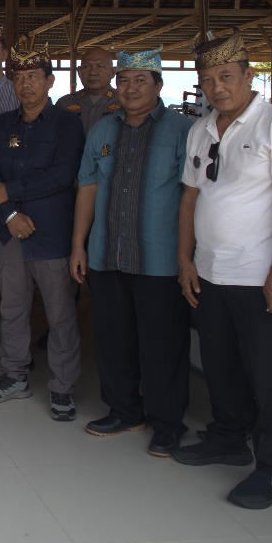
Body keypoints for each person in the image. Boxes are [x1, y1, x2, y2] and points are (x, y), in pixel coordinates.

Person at [175, 28, 272, 510]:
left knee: (268, 372)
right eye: (208, 79)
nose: (217, 87)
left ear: (249, 75)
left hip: (258, 275)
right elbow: (191, 196)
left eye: (227, 76)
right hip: (210, 272)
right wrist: (185, 259)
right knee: (220, 363)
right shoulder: (201, 127)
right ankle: (228, 438)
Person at [69, 48, 191, 455]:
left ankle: (167, 423)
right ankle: (124, 410)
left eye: (142, 80)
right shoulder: (103, 131)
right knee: (112, 338)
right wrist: (78, 246)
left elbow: (193, 196)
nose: (131, 87)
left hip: (159, 258)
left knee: (162, 344)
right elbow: (87, 187)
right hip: (106, 253)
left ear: (158, 86)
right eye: (125, 80)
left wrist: (188, 256)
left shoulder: (181, 130)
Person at [0, 40, 84, 420]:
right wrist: (9, 215)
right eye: (19, 77)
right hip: (9, 233)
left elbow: (62, 174)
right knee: (12, 309)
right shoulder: (2, 123)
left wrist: (14, 191)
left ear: (50, 81)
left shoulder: (67, 124)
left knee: (59, 315)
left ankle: (62, 388)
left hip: (52, 233)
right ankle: (13, 375)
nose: (26, 85)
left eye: (34, 77)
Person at [57, 47, 121, 134]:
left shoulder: (123, 101)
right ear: (79, 72)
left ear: (113, 72)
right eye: (87, 66)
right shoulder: (65, 103)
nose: (93, 72)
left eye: (100, 66)